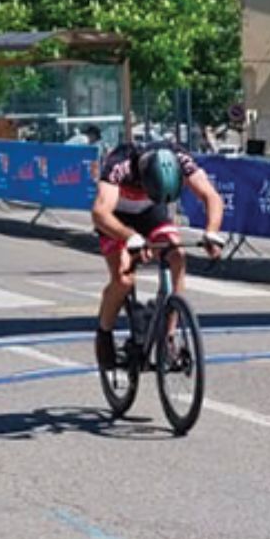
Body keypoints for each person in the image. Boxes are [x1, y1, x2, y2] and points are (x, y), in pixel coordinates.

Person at [90, 141, 226, 373]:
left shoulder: (179, 158)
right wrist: (130, 236)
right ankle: (104, 333)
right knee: (123, 279)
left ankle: (168, 339)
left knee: (177, 255)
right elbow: (100, 213)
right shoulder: (121, 164)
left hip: (150, 211)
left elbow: (211, 196)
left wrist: (211, 232)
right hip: (116, 217)